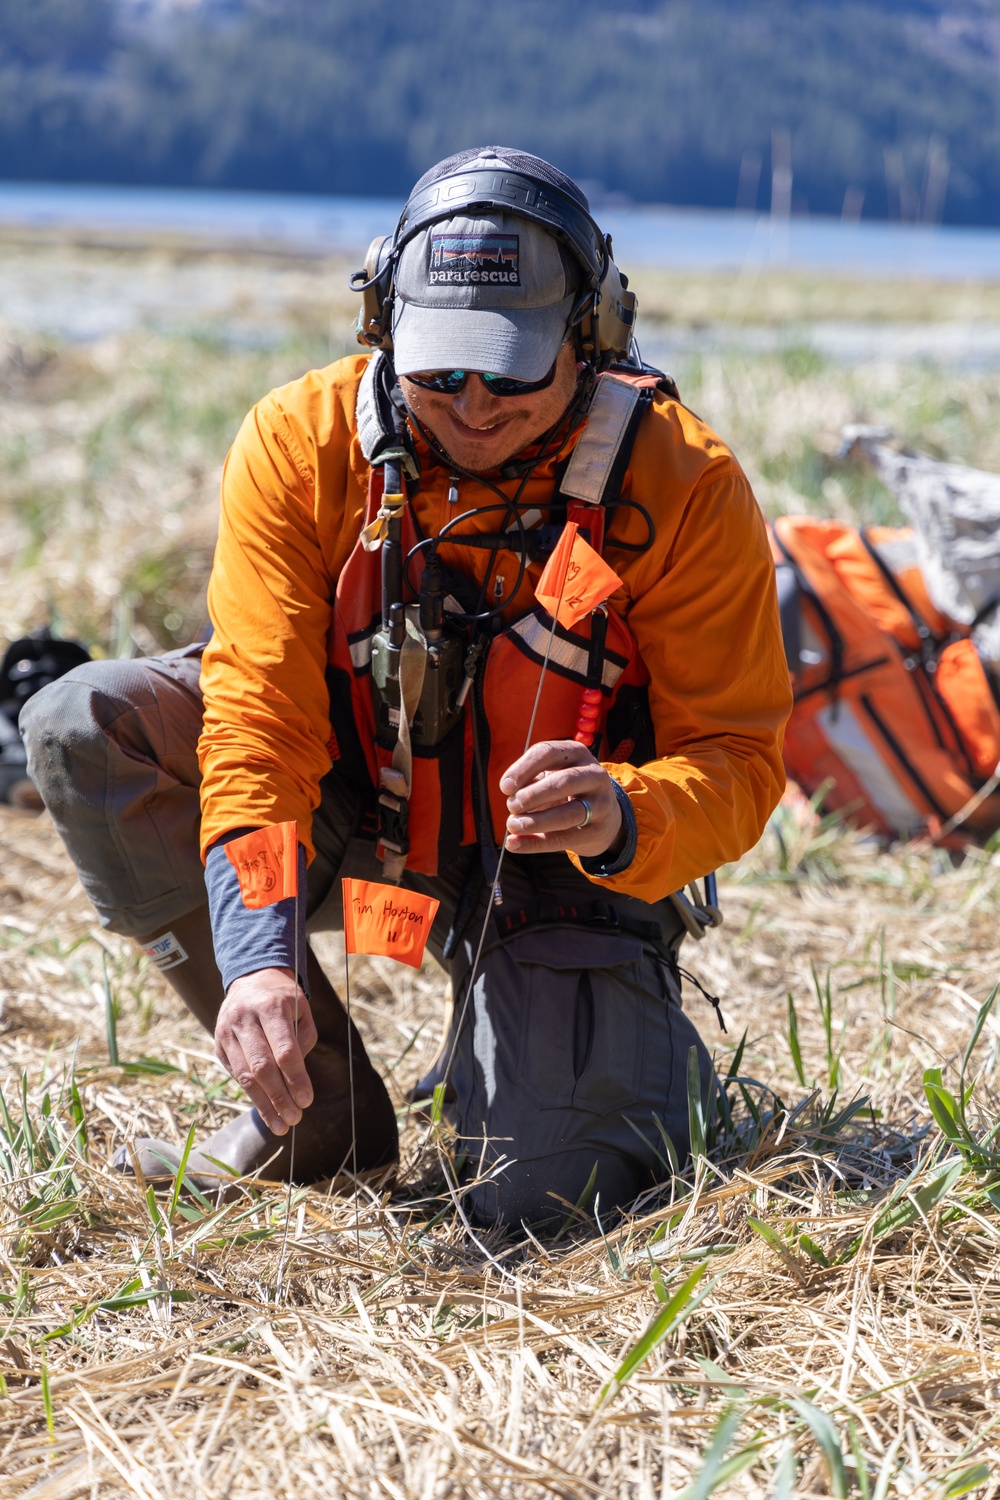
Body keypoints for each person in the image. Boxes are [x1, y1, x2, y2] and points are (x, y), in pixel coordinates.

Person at [22, 147, 791, 1227]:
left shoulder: (684, 484)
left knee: (541, 1200)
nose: (474, 406)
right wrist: (257, 958)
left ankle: (613, 1064)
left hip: (557, 866)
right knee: (81, 725)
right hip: (361, 819)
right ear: (382, 325)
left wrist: (626, 812)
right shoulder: (302, 443)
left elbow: (740, 761)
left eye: (512, 370)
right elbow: (257, 721)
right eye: (440, 371)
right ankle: (319, 1113)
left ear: (592, 333)